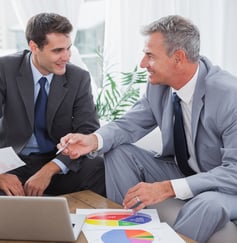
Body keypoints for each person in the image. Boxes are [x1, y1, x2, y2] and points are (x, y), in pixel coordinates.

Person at [59, 15, 237, 242]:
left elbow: (234, 172)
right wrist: (93, 140)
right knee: (118, 151)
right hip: (184, 171)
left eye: (150, 56)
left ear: (178, 58)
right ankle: (124, 231)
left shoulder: (229, 95)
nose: (142, 64)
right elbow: (129, 124)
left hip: (226, 186)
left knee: (208, 204)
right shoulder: (159, 87)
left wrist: (168, 188)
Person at [0, 12, 105, 197]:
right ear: (34, 47)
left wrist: (50, 169)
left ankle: (84, 225)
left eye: (68, 48)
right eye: (57, 51)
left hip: (57, 160)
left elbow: (87, 129)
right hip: (12, 162)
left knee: (97, 167)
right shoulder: (3, 68)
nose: (67, 57)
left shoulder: (78, 77)